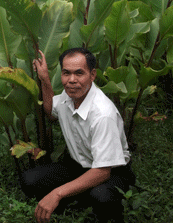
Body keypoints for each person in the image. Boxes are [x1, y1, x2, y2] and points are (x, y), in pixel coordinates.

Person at [21, 48, 135, 223]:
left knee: (101, 196)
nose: (72, 80)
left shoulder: (103, 114)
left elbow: (102, 172)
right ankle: (78, 196)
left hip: (110, 171)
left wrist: (57, 193)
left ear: (92, 75)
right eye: (66, 73)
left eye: (79, 73)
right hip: (77, 166)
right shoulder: (68, 97)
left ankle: (80, 199)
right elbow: (51, 111)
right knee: (29, 180)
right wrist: (45, 79)